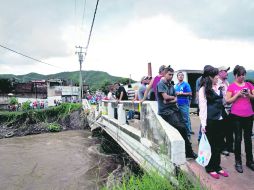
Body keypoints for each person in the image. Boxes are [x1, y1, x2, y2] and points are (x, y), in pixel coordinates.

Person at [157, 66, 197, 159]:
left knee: (184, 129)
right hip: (166, 112)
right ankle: (187, 152)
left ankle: (189, 152)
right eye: (169, 74)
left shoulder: (171, 84)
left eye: (172, 75)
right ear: (164, 74)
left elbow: (174, 97)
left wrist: (172, 99)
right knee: (181, 129)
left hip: (174, 109)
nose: (171, 76)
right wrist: (172, 99)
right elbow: (166, 98)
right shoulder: (161, 84)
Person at [199, 65, 229, 179]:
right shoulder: (203, 89)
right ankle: (210, 167)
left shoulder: (219, 86)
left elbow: (224, 102)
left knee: (219, 144)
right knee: (211, 145)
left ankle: (217, 166)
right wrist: (203, 124)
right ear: (210, 77)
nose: (218, 77)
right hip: (210, 120)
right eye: (216, 75)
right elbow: (203, 108)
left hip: (221, 119)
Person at [225, 65, 254, 173]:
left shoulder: (249, 85)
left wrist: (249, 95)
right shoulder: (231, 86)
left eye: (243, 75)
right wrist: (237, 94)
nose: (242, 77)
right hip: (236, 116)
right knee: (238, 139)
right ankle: (238, 162)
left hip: (249, 115)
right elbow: (227, 101)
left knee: (248, 139)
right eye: (240, 75)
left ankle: (250, 161)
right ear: (235, 75)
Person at [217, 66, 233, 156]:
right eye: (225, 71)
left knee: (229, 129)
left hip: (229, 108)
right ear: (220, 73)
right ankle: (222, 148)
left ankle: (229, 147)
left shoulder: (226, 82)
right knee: (221, 130)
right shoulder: (217, 83)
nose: (227, 73)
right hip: (221, 108)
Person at [175, 71, 193, 138]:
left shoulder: (186, 84)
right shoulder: (176, 85)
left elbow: (190, 93)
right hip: (177, 104)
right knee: (180, 120)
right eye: (179, 75)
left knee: (186, 120)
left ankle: (188, 135)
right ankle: (183, 134)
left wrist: (181, 93)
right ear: (177, 77)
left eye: (182, 75)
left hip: (184, 104)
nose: (181, 76)